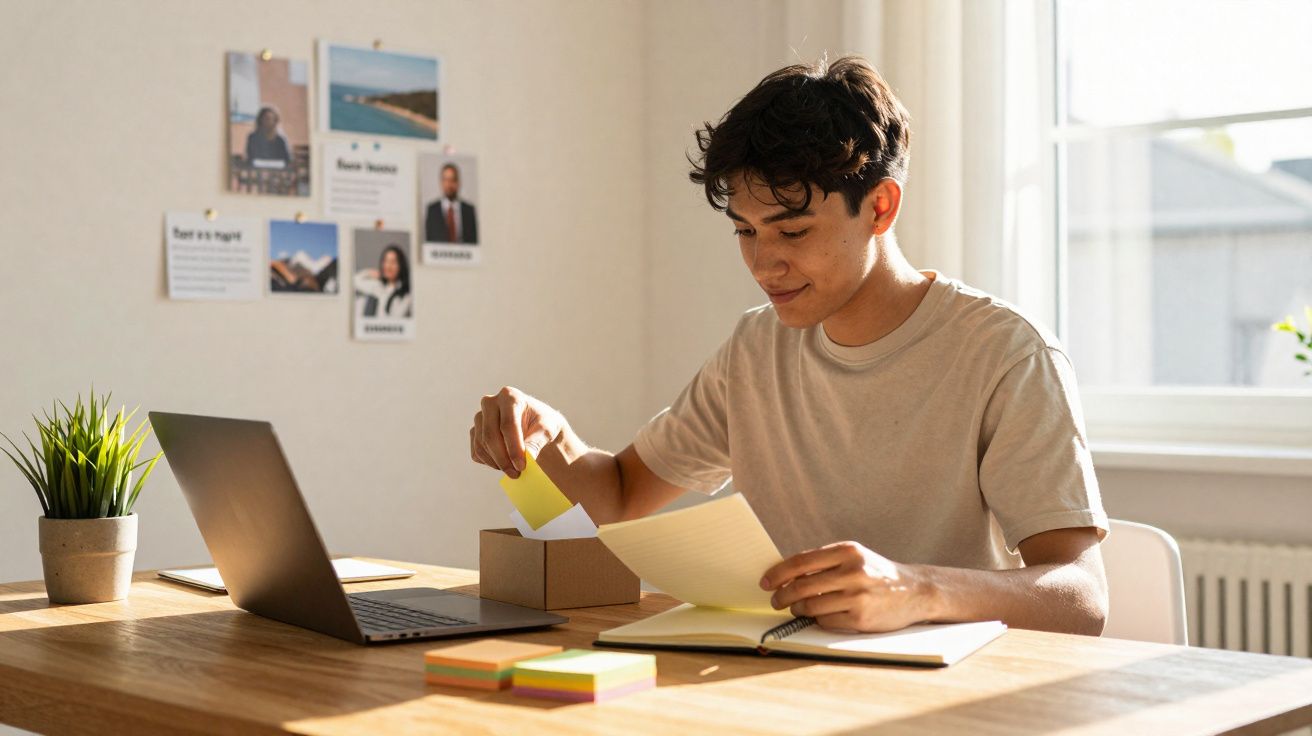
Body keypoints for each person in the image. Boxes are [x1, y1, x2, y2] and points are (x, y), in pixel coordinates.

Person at [469, 57, 1109, 636]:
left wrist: (916, 588)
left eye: (793, 230)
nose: (764, 264)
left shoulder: (1006, 354)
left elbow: (1081, 596)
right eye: (746, 231)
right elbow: (619, 496)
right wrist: (549, 437)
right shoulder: (755, 347)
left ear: (880, 208)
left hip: (942, 697)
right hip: (781, 680)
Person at [425, 163, 479, 244]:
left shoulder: (469, 210)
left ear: (458, 183)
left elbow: (474, 241)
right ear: (441, 182)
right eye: (446, 180)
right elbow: (429, 240)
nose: (449, 185)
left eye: (452, 180)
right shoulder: (432, 210)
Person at [354, 245, 412, 318]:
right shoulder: (379, 286)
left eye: (393, 262)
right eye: (385, 261)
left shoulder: (406, 294)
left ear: (401, 266)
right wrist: (369, 272)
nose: (388, 266)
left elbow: (397, 319)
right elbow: (353, 281)